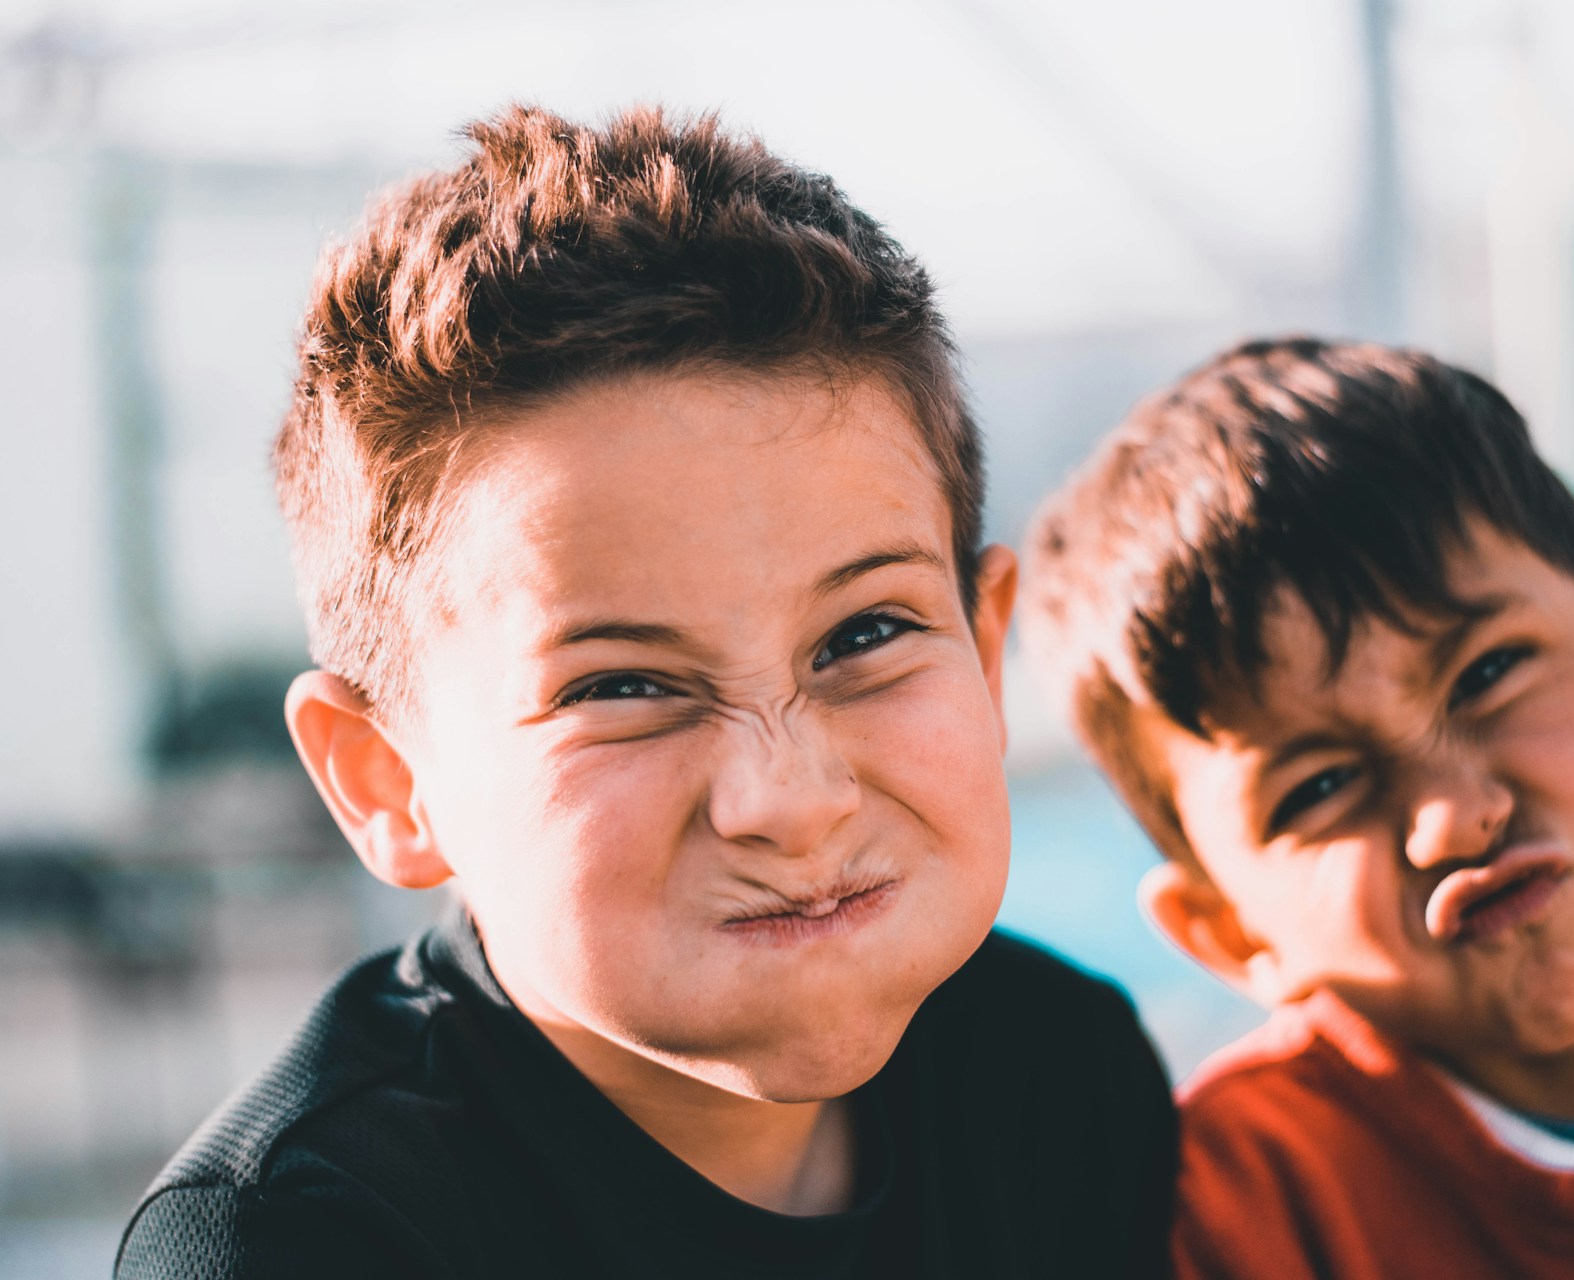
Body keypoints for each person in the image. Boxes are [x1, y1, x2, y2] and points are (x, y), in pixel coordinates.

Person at [115, 104, 1175, 1280]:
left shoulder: (1061, 1076)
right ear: (388, 781)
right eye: (621, 684)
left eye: (863, 633)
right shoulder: (302, 1240)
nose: (789, 798)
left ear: (986, 648)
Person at [1019, 336, 1574, 1276]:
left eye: (1488, 673)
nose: (1450, 819)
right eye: (1319, 786)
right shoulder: (1222, 1222)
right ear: (1228, 933)